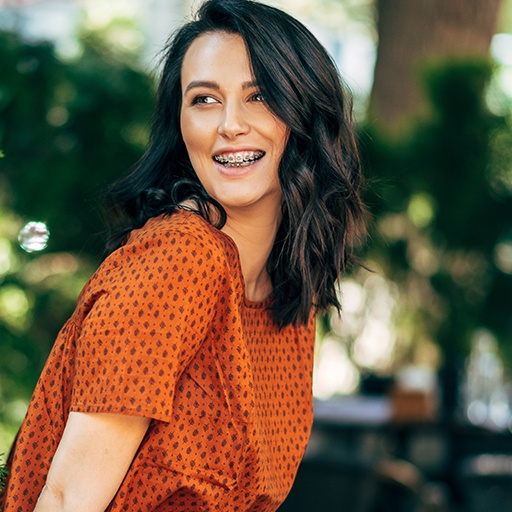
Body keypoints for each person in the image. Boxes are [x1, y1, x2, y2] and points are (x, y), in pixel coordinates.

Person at [0, 0, 366, 510]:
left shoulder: (288, 287)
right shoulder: (180, 260)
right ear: (180, 123)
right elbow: (65, 500)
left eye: (259, 96)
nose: (230, 125)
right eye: (204, 100)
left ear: (305, 115)